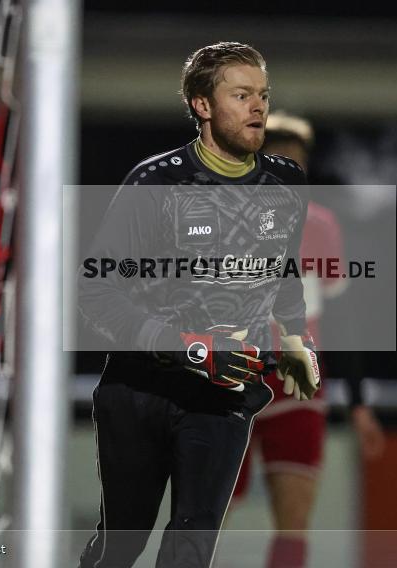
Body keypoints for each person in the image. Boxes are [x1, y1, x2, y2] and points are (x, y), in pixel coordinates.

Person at [77, 43, 320, 568]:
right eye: (241, 95)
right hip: (141, 388)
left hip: (223, 396)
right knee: (123, 545)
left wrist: (296, 340)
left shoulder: (287, 182)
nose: (258, 107)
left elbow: (283, 269)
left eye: (262, 95)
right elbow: (95, 290)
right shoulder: (154, 182)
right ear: (202, 105)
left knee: (192, 546)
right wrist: (185, 346)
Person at [228, 112, 385, 568]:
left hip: (297, 382)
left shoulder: (320, 227)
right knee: (206, 514)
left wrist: (358, 402)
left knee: (294, 519)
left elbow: (343, 314)